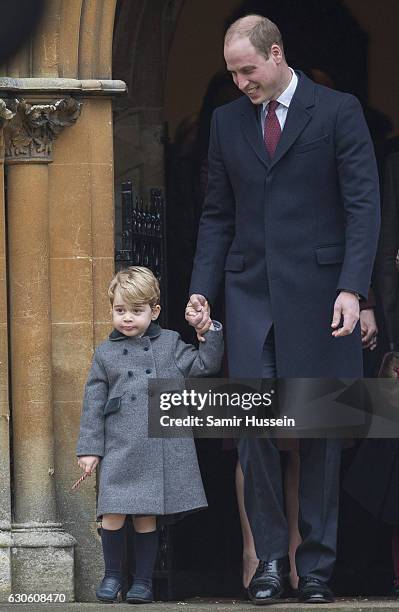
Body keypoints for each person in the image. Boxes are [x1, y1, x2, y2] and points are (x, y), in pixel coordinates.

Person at [186, 14, 380, 605]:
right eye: (233, 73)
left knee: (320, 429)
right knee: (253, 429)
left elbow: (363, 205)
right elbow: (217, 212)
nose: (241, 82)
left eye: (248, 70)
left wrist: (354, 288)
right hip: (248, 298)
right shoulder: (225, 123)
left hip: (323, 297)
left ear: (277, 55)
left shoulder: (339, 110)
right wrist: (202, 290)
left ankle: (316, 568)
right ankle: (269, 561)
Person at [76, 266, 223, 604]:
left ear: (154, 311)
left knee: (145, 516)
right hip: (119, 447)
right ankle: (113, 576)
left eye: (136, 311)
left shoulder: (170, 343)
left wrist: (208, 330)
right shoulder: (104, 353)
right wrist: (89, 450)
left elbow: (204, 366)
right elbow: (92, 405)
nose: (127, 318)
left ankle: (143, 582)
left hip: (157, 445)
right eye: (120, 310)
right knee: (112, 512)